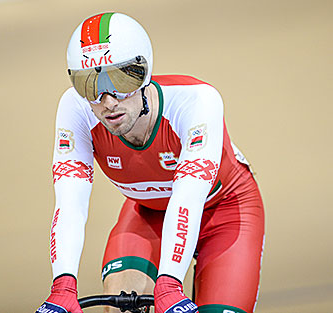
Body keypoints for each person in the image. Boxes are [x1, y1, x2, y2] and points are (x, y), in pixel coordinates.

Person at [36, 12, 265, 313]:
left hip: (225, 212)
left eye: (119, 79)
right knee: (120, 306)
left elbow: (187, 198)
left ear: (144, 74)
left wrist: (170, 284)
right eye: (90, 84)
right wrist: (62, 285)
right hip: (150, 213)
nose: (107, 101)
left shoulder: (196, 101)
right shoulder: (75, 109)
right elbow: (70, 204)